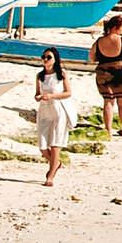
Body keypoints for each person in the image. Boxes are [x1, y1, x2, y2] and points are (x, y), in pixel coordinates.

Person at [34, 48, 75, 185]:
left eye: (49, 57)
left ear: (55, 59)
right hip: (44, 111)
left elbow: (68, 93)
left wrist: (52, 96)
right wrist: (39, 97)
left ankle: (50, 176)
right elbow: (37, 93)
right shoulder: (40, 76)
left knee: (55, 145)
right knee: (43, 146)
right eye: (43, 57)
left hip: (58, 110)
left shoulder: (60, 74)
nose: (45, 59)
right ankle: (55, 164)